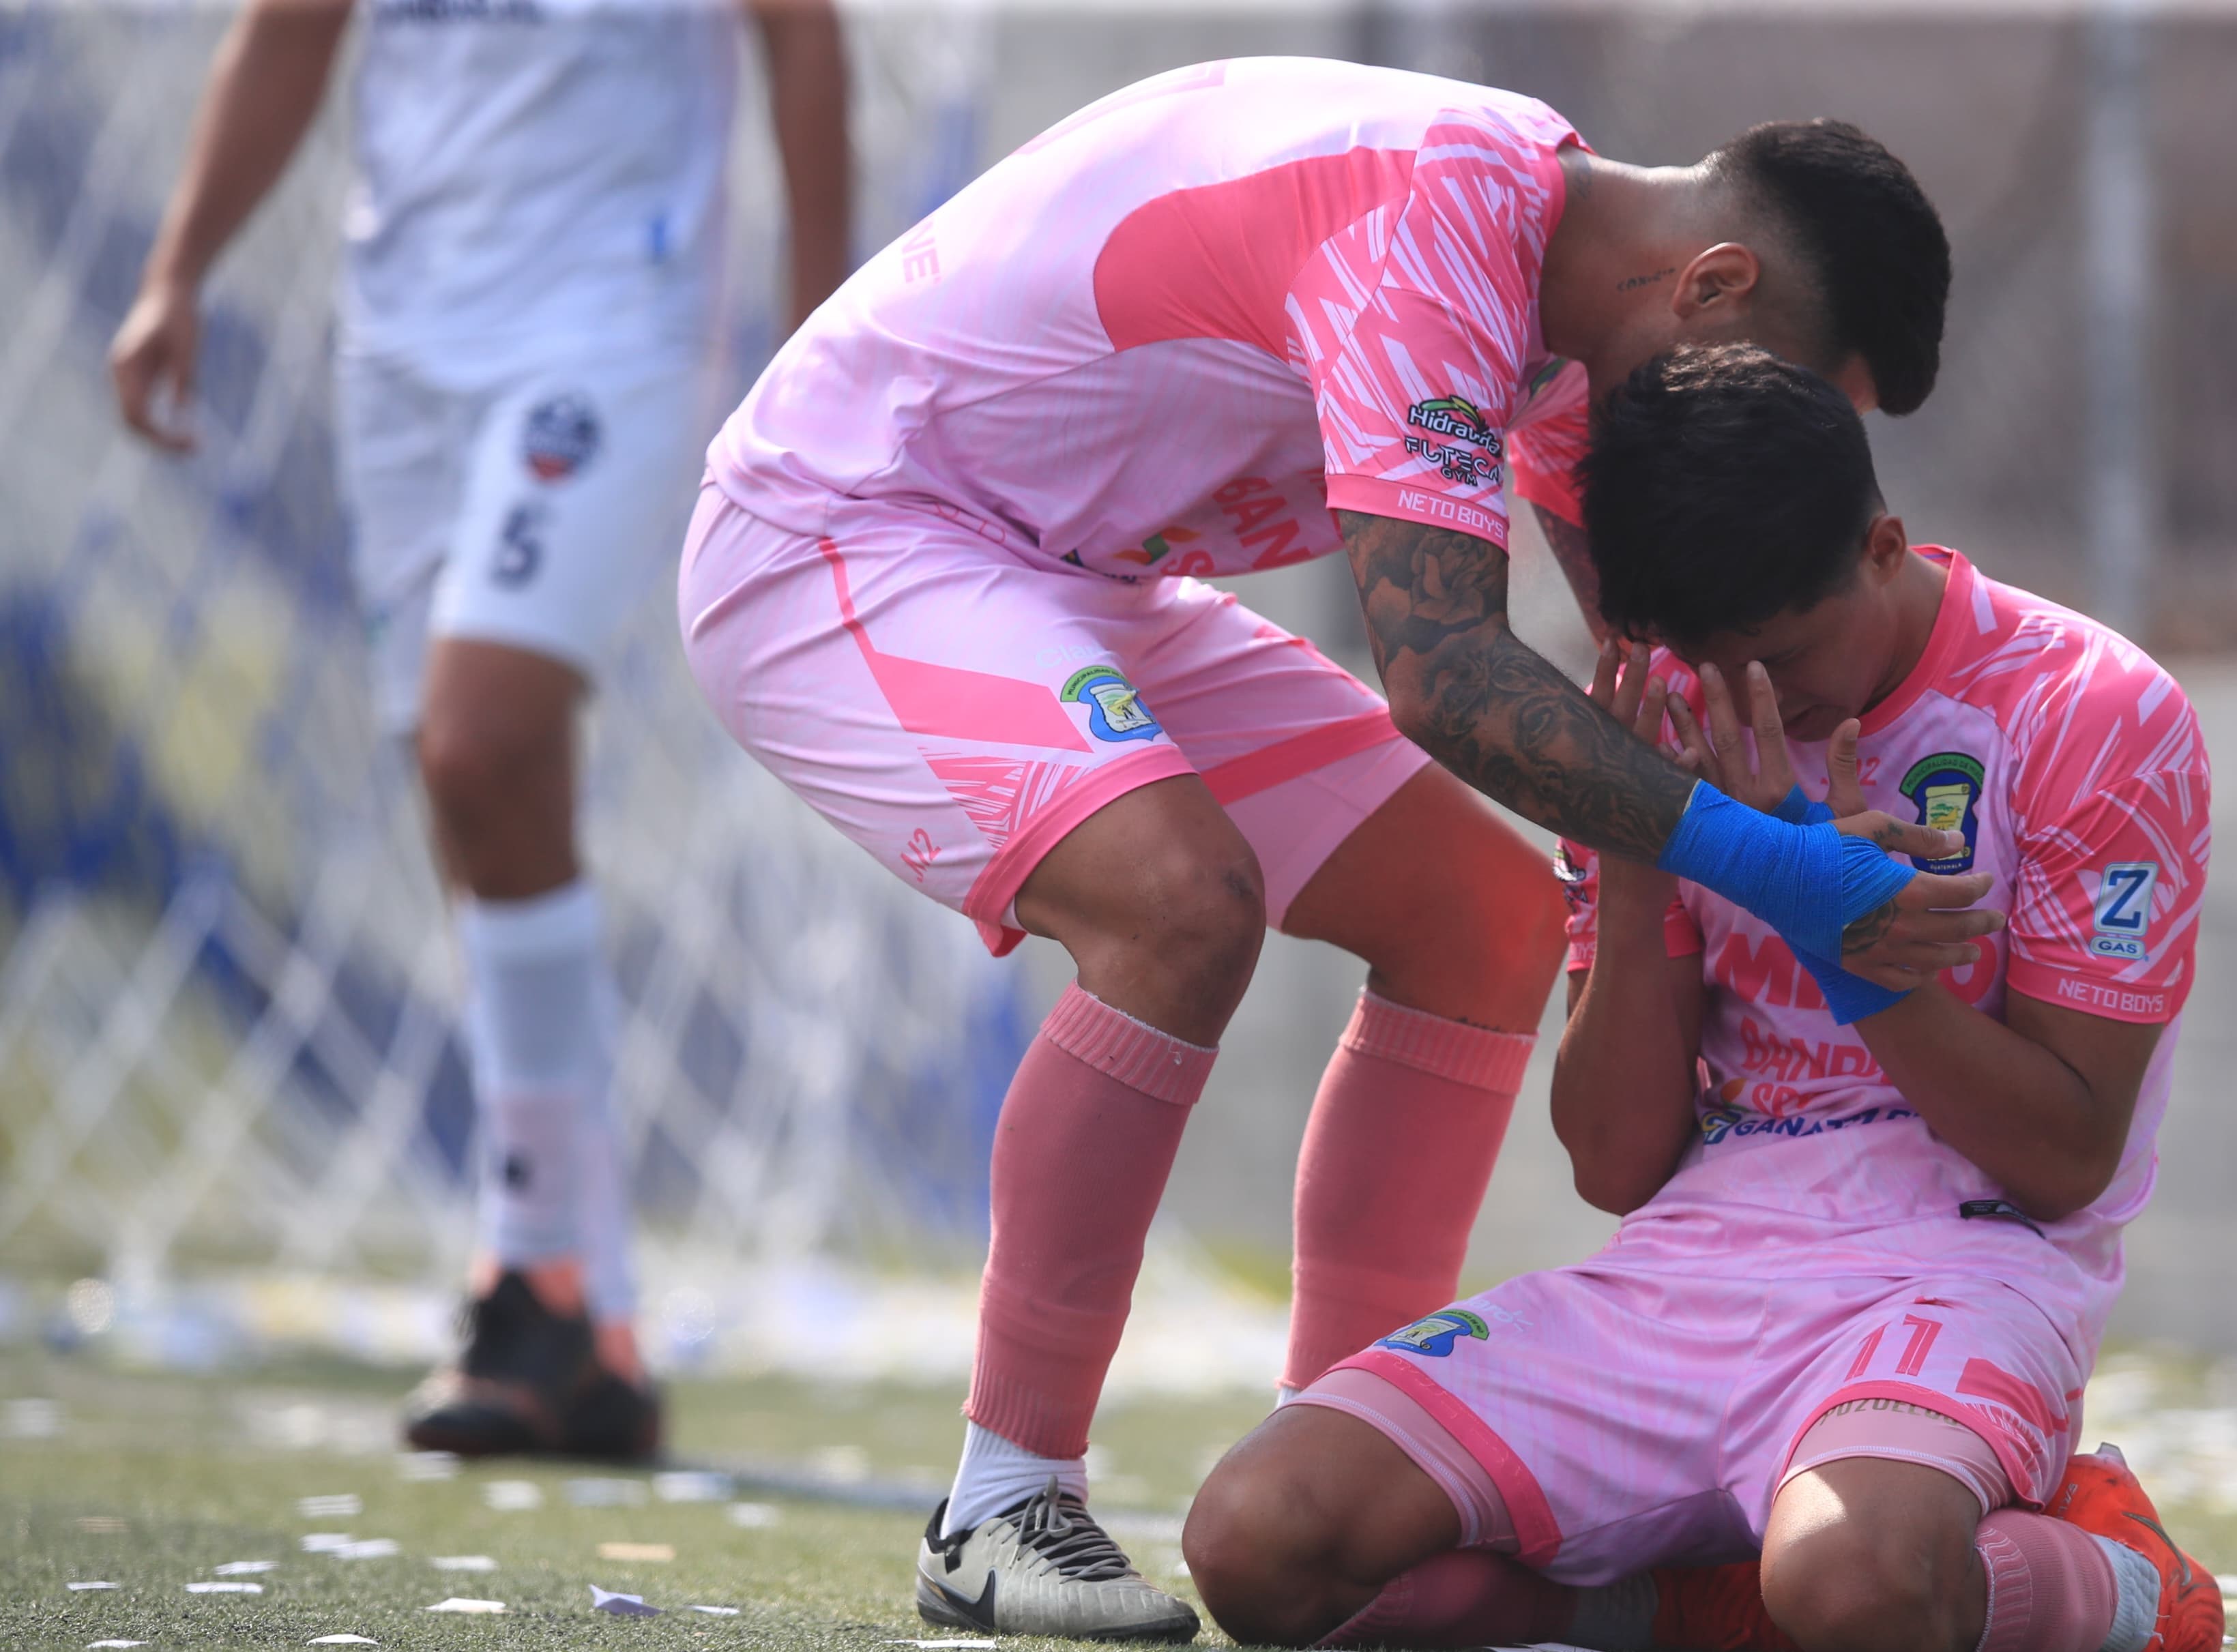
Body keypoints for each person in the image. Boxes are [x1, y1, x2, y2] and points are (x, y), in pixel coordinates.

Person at [681, 55, 1992, 1639]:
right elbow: (1442, 672)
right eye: (1776, 388)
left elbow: (1650, 664)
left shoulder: (1584, 292)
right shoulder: (1436, 211)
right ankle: (1001, 1498)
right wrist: (1778, 872)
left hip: (1067, 575)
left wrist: (1813, 817)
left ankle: (1347, 1477)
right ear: (1712, 283)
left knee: (1481, 918)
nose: (1761, 444)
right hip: (845, 528)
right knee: (1177, 904)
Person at [1182, 344, 2222, 1652]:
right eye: (1706, 659)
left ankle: (2120, 1582)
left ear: (1884, 546)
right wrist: (1632, 866)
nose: (1754, 700)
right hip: (1690, 1269)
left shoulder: (2091, 712)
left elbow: (2066, 1158)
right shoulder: (1660, 706)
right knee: (1258, 1540)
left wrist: (1832, 927)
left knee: (1856, 1588)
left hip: (1958, 1266)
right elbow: (1617, 1165)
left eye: (1785, 655)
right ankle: (1684, 1592)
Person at [109, 0, 851, 1460]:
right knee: (477, 808)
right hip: (398, 346)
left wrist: (825, 338)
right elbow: (287, 29)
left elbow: (804, 36)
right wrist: (176, 268)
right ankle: (587, 1318)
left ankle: (530, 1266)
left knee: (478, 741)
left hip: (607, 331)